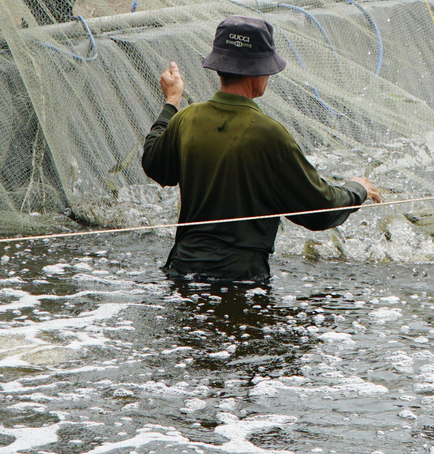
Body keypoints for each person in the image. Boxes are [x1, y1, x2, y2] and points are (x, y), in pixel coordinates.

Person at [141, 16, 382, 282]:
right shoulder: (269, 133)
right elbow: (319, 210)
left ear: (220, 67)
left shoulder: (187, 119)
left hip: (181, 269)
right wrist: (357, 189)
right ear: (258, 72)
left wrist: (172, 101)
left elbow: (154, 165)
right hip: (241, 277)